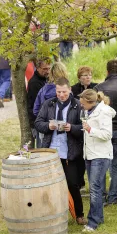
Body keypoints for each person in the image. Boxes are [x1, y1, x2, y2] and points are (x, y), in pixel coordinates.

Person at [34, 78, 85, 225]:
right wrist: (48, 126)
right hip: (52, 150)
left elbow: (85, 127)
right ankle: (51, 213)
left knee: (72, 183)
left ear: (70, 90)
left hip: (70, 151)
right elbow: (38, 123)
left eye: (63, 92)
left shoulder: (77, 105)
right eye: (58, 92)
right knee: (49, 184)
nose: (61, 95)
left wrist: (72, 128)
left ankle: (79, 214)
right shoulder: (49, 103)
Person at [95, 60, 117, 206]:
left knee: (102, 162)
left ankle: (102, 194)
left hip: (104, 129)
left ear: (107, 71)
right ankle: (113, 197)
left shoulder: (99, 88)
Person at [80, 89, 115, 232]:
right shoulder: (89, 111)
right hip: (90, 154)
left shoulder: (104, 112)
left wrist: (90, 130)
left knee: (95, 189)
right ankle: (98, 217)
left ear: (90, 102)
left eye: (83, 104)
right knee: (96, 187)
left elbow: (107, 134)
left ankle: (92, 222)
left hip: (100, 154)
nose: (82, 106)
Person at [27, 58, 51, 148]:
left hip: (43, 120)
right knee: (42, 147)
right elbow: (36, 106)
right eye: (45, 69)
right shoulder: (34, 83)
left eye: (49, 68)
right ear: (37, 68)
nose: (47, 71)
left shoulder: (45, 79)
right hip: (38, 120)